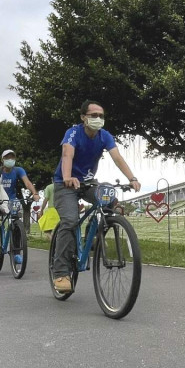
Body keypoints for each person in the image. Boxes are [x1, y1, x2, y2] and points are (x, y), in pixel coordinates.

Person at [50, 100, 141, 293]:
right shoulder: (73, 133)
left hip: (88, 182)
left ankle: (92, 238)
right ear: (83, 117)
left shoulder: (104, 136)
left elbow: (117, 157)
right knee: (70, 221)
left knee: (111, 202)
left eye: (101, 115)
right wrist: (67, 177)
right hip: (65, 184)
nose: (98, 119)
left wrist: (131, 178)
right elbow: (67, 155)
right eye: (93, 115)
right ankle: (61, 272)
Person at [0, 150, 40, 255]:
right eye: (7, 158)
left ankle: (16, 254)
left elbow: (27, 182)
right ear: (2, 160)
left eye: (12, 158)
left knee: (16, 223)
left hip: (12, 200)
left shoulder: (18, 170)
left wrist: (34, 193)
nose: (10, 160)